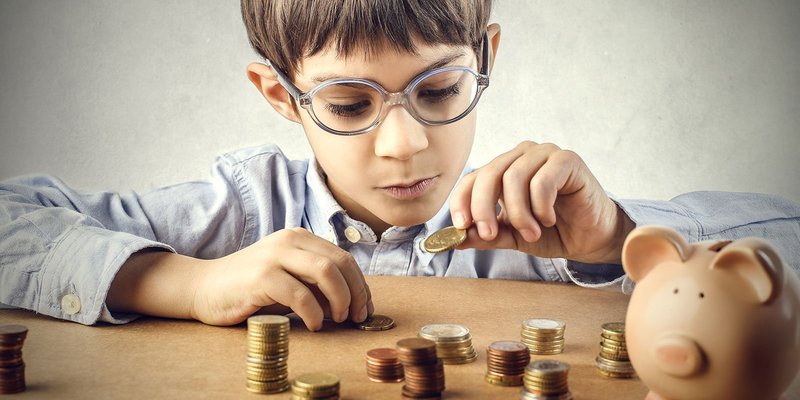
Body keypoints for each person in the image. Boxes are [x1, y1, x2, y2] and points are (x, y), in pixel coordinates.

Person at [1, 0, 798, 332]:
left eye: (440, 90)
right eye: (350, 104)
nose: (405, 144)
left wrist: (619, 240)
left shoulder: (544, 225)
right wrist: (184, 283)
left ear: (485, 59)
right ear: (281, 97)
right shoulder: (242, 211)